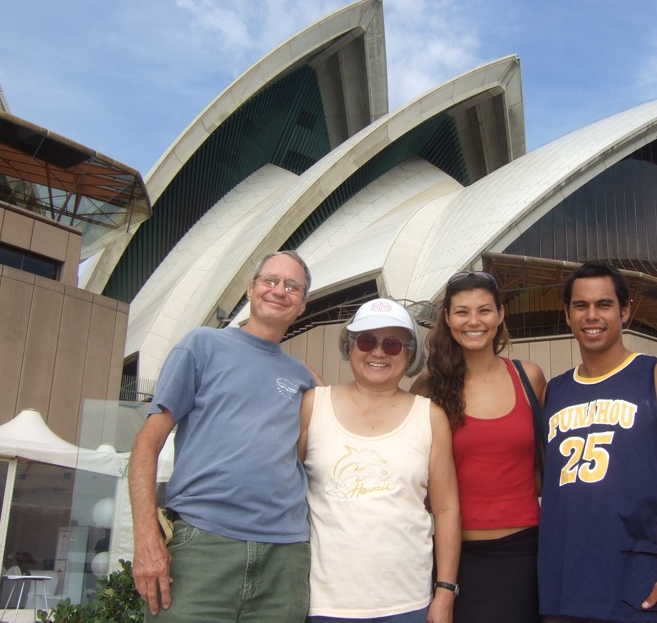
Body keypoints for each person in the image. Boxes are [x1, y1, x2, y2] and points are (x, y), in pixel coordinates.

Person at [129, 250, 316, 622]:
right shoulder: (201, 345)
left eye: (292, 286)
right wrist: (146, 535)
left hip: (285, 558)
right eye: (270, 280)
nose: (279, 290)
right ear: (250, 288)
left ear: (302, 305)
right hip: (203, 545)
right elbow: (147, 442)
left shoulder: (303, 378)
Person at [538, 261, 657, 623]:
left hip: (640, 584)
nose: (592, 316)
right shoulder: (554, 391)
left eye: (604, 304)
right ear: (568, 315)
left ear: (625, 311)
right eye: (581, 305)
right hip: (563, 586)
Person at [298, 298, 460, 623]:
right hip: (325, 602)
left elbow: (446, 509)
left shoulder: (430, 417)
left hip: (407, 601)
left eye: (392, 344)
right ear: (350, 346)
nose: (379, 352)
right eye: (367, 340)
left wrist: (445, 591)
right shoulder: (314, 405)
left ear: (409, 354)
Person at [412, 271, 547, 623]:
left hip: (523, 553)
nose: (474, 321)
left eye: (484, 310)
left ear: (500, 314)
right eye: (462, 311)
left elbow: (544, 469)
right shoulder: (428, 389)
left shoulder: (529, 377)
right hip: (453, 557)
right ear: (447, 318)